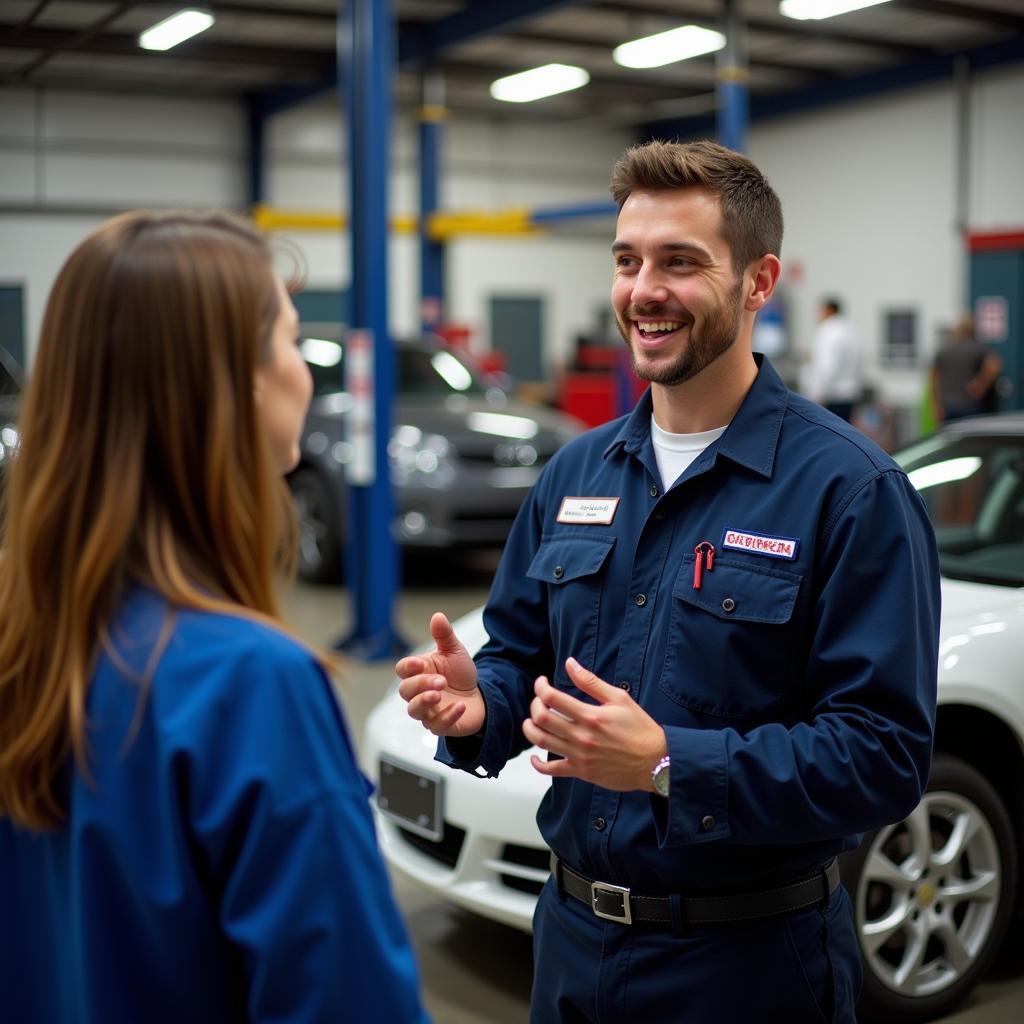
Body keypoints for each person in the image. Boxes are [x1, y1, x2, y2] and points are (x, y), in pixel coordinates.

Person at [396, 140, 940, 1023]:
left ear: (760, 283)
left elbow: (882, 756)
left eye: (680, 262)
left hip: (747, 969)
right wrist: (481, 705)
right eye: (627, 261)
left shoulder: (850, 492)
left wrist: (664, 765)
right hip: (570, 947)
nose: (643, 290)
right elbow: (520, 655)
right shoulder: (573, 474)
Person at [0, 212, 430, 1024]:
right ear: (228, 386)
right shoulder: (250, 686)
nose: (305, 373)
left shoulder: (20, 632)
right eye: (291, 340)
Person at [931, 312, 1003, 423]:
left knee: (951, 437)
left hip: (948, 406)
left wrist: (936, 407)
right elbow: (995, 365)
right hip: (971, 405)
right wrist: (980, 385)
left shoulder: (944, 351)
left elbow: (934, 380)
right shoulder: (979, 348)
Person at [805, 296, 863, 421]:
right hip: (849, 395)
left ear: (829, 310)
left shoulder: (827, 331)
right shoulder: (850, 330)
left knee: (828, 436)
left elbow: (828, 367)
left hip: (832, 398)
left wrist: (817, 395)